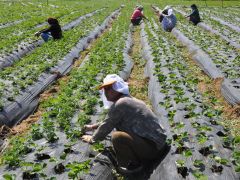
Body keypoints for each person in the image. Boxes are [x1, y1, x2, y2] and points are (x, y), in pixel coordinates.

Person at [81, 74, 167, 174]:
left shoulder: (121, 103)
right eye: (105, 89)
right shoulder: (127, 99)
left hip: (154, 149)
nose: (106, 92)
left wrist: (92, 139)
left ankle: (134, 166)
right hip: (159, 144)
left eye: (109, 88)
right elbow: (110, 120)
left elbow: (107, 125)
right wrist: (92, 127)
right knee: (119, 133)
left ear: (117, 88)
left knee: (117, 137)